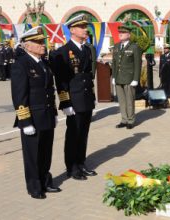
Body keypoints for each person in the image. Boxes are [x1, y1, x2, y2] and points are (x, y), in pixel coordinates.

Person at [11, 26, 61, 199]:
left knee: (46, 152)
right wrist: (25, 121)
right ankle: (34, 187)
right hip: (32, 118)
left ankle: (45, 181)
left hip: (46, 114)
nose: (43, 45)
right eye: (38, 42)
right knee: (32, 155)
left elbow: (50, 90)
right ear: (27, 45)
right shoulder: (21, 64)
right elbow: (19, 96)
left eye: (43, 42)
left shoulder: (44, 64)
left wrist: (54, 113)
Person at [50, 14, 97, 180]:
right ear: (72, 30)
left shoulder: (86, 49)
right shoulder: (62, 52)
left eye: (86, 27)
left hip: (86, 99)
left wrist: (92, 96)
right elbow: (61, 81)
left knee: (83, 133)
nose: (86, 29)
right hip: (74, 100)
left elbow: (87, 75)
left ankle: (81, 163)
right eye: (82, 27)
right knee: (73, 135)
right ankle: (72, 167)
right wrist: (65, 102)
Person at [111, 25, 142, 129]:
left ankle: (131, 120)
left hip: (129, 79)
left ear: (128, 35)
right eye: (119, 32)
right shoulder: (116, 46)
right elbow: (114, 63)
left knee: (129, 101)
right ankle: (124, 119)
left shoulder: (134, 47)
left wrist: (136, 79)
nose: (120, 34)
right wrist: (114, 77)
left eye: (123, 33)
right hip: (119, 78)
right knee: (122, 101)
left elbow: (138, 64)